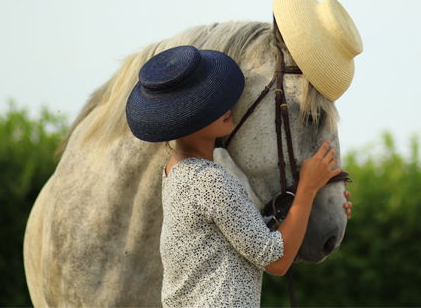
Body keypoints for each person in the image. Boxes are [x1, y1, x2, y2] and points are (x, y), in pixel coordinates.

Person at [125, 45, 352, 307]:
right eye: (211, 102)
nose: (227, 103)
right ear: (188, 120)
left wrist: (309, 204)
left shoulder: (177, 172)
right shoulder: (210, 181)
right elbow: (275, 260)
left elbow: (246, 234)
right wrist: (307, 190)